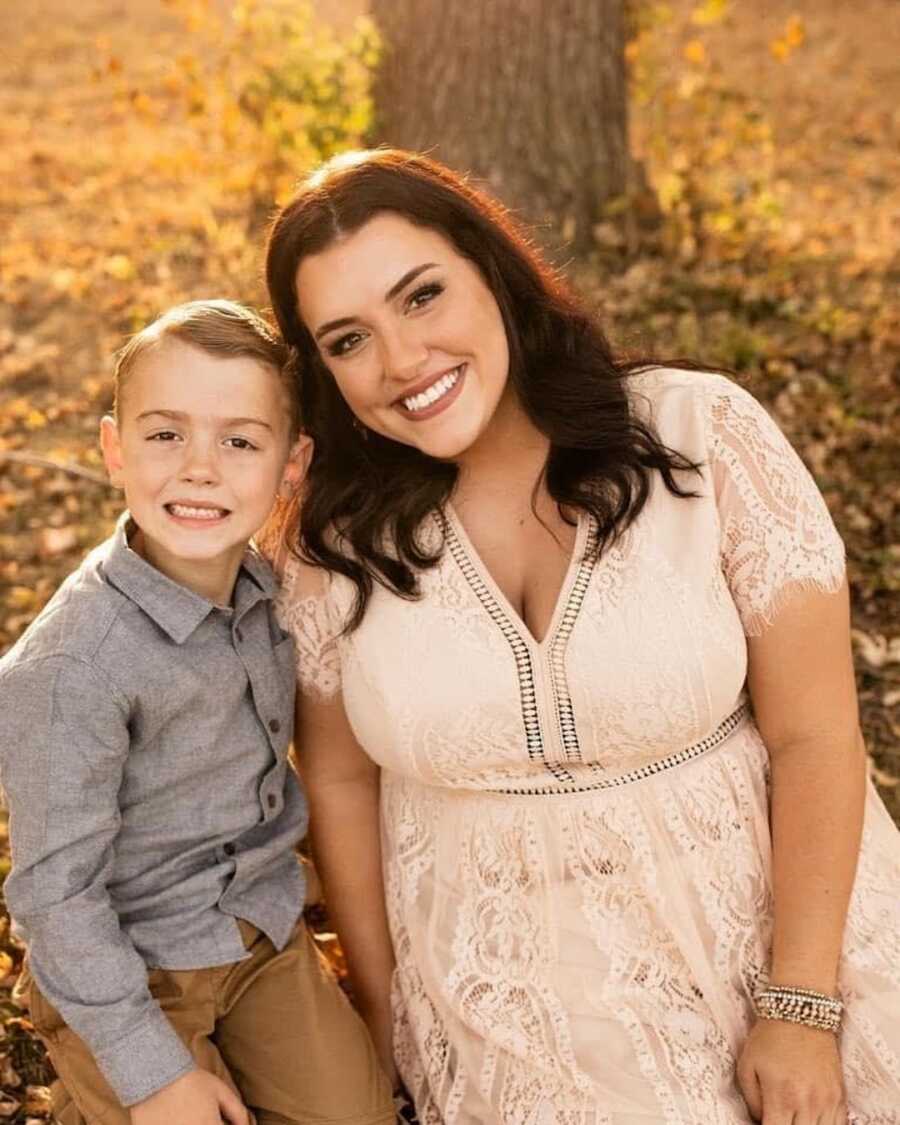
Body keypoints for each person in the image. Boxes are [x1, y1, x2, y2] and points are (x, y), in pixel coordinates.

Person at [260, 149, 900, 1124]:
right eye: (349, 340)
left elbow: (817, 735)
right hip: (514, 997)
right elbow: (342, 781)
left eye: (423, 296)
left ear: (493, 271)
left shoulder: (701, 435)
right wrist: (390, 1016)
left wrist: (803, 1004)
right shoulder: (330, 542)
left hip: (787, 926)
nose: (401, 361)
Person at [0, 300, 395, 1125]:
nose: (201, 469)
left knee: (355, 1114)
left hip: (256, 933)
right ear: (114, 448)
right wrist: (152, 1074)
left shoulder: (275, 593)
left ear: (293, 464)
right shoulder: (73, 667)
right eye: (165, 434)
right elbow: (55, 897)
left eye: (241, 441)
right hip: (122, 964)